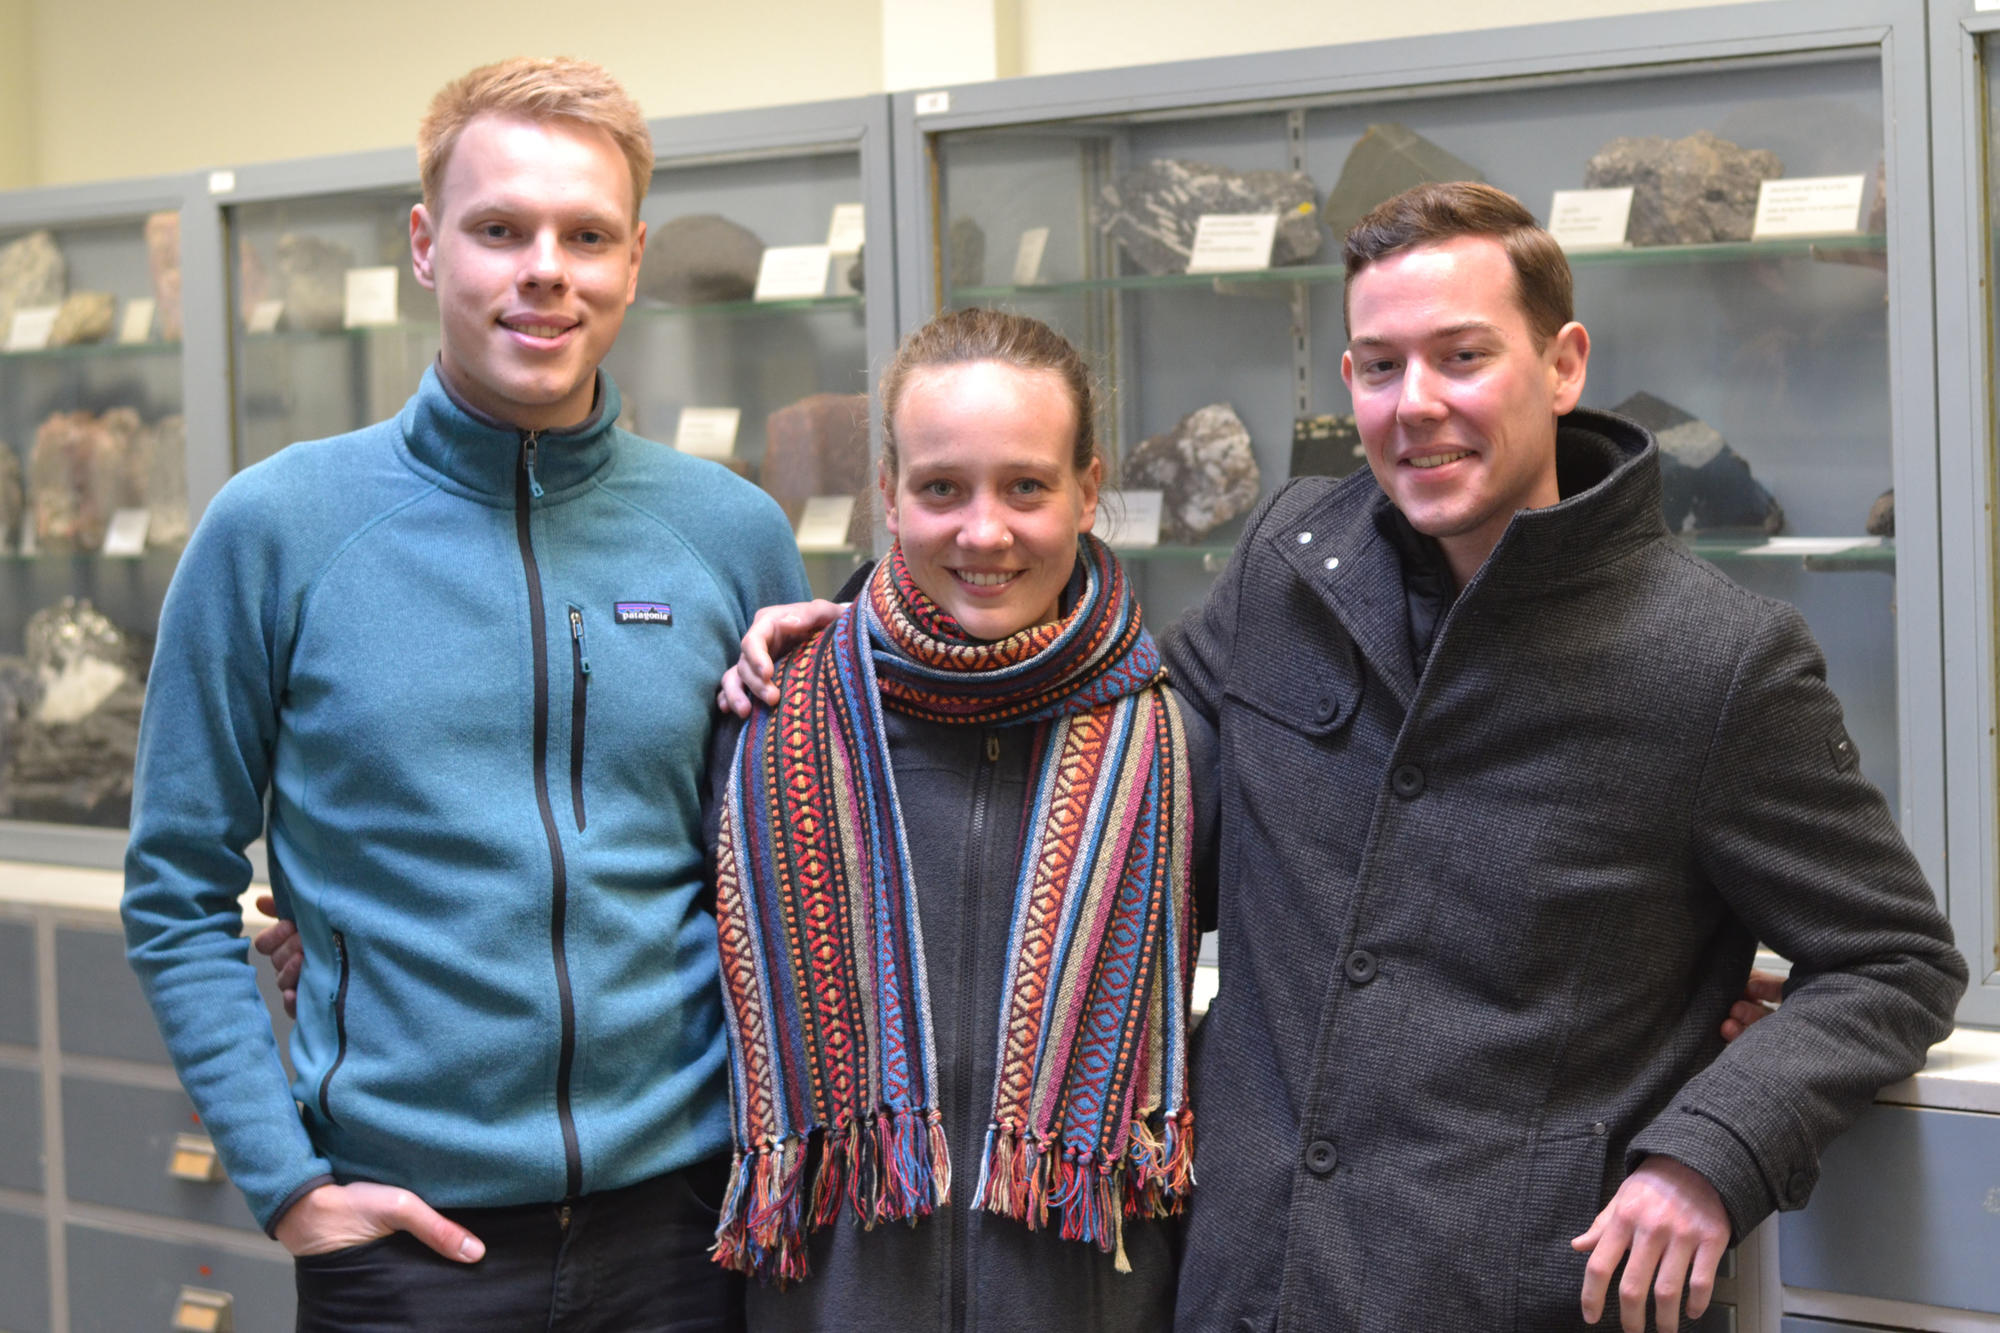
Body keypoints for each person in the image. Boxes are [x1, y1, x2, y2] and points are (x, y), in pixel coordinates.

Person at [724, 181, 1966, 1333]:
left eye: (1461, 355)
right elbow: (1110, 740)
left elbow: (1891, 958)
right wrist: (867, 644)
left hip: (1510, 1293)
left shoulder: (1715, 660)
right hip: (1240, 1280)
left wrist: (1713, 1150)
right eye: (1380, 365)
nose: (1414, 401)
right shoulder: (1291, 560)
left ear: (1563, 362)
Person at [121, 57, 807, 1330]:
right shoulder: (274, 529)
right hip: (406, 1246)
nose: (544, 268)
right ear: (430, 246)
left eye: (585, 234)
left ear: (633, 258)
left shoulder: (730, 532)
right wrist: (287, 1188)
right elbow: (172, 887)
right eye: (500, 229)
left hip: (684, 1237)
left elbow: (769, 870)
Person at [711, 307, 1211, 1331]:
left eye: (1024, 485)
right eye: (941, 487)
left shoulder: (1176, 745)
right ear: (888, 496)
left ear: (1085, 490)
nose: (983, 531)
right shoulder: (769, 731)